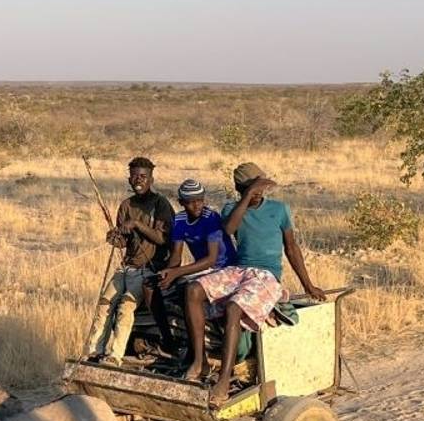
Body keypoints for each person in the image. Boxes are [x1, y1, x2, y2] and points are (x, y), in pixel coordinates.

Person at [182, 162, 327, 406]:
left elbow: (291, 248)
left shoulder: (279, 209)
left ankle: (224, 379)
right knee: (193, 290)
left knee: (234, 307)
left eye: (261, 186)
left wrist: (309, 285)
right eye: (252, 187)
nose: (259, 192)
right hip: (240, 270)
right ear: (240, 188)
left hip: (267, 276)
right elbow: (228, 229)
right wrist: (248, 195)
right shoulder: (232, 208)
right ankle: (200, 361)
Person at [85, 156, 174, 366]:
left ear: (151, 179)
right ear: (129, 179)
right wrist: (116, 238)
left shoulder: (161, 204)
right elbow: (124, 242)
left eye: (143, 176)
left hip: (150, 268)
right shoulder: (126, 205)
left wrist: (136, 224)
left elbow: (163, 239)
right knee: (104, 303)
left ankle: (114, 355)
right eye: (134, 176)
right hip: (127, 266)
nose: (138, 181)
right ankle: (92, 352)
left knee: (126, 306)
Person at [149, 178, 236, 356]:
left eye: (200, 201)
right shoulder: (180, 220)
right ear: (181, 203)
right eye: (191, 202)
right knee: (150, 285)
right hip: (203, 269)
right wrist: (168, 271)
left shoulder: (211, 218)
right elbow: (176, 255)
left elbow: (212, 259)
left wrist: (177, 272)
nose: (197, 206)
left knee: (189, 290)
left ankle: (196, 353)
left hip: (223, 268)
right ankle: (168, 341)